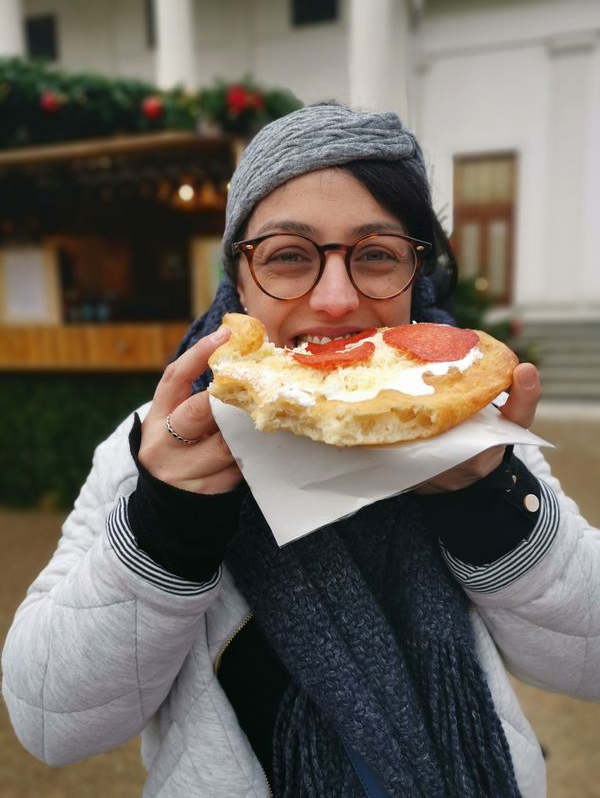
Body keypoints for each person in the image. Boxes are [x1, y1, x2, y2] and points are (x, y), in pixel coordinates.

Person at [2, 103, 599, 798]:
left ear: (417, 271)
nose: (337, 297)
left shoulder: (468, 424)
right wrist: (165, 527)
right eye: (289, 256)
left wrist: (490, 501)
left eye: (376, 254)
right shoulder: (163, 442)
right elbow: (51, 725)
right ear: (240, 276)